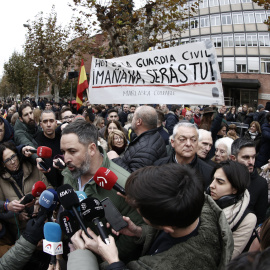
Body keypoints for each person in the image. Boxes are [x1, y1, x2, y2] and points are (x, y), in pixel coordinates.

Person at [68, 164, 233, 270]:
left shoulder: (171, 265)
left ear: (167, 227)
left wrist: (110, 258)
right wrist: (140, 232)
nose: (137, 210)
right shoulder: (193, 203)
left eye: (139, 210)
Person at [60, 119, 144, 263]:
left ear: (92, 149)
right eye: (63, 152)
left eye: (72, 151)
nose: (66, 158)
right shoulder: (70, 173)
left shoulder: (122, 183)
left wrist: (104, 260)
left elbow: (134, 236)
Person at [0, 142, 51, 241]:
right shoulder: (1, 181)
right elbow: (1, 212)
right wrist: (17, 217)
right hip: (22, 232)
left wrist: (40, 202)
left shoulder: (33, 167)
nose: (13, 162)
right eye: (7, 160)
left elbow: (50, 188)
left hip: (43, 222)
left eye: (13, 156)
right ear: (3, 164)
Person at [208, 160, 256, 258]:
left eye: (220, 182)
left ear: (235, 189)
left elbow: (229, 256)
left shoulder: (247, 219)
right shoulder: (203, 200)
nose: (211, 186)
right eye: (213, 179)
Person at [154, 122, 214, 189]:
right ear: (172, 142)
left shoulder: (208, 173)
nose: (188, 144)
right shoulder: (158, 167)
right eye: (182, 139)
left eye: (193, 140)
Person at [108, 106, 167, 173]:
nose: (131, 121)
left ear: (139, 121)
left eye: (133, 118)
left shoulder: (145, 150)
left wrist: (116, 159)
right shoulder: (153, 135)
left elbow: (134, 179)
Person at [231, 138, 268, 225]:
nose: (251, 162)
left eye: (253, 157)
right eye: (246, 157)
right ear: (233, 158)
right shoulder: (223, 176)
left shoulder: (261, 184)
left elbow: (260, 219)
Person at [34, 110, 63, 188]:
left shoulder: (62, 138)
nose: (48, 124)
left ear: (56, 123)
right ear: (41, 125)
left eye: (51, 121)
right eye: (45, 121)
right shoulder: (37, 142)